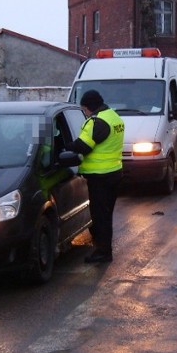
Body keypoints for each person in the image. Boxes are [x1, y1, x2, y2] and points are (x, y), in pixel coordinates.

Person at [66, 89, 125, 264]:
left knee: (100, 216)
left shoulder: (97, 122)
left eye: (84, 110)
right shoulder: (114, 117)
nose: (84, 113)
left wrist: (67, 146)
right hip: (114, 172)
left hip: (101, 177)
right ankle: (104, 249)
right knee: (106, 215)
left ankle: (103, 252)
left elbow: (83, 146)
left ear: (89, 107)